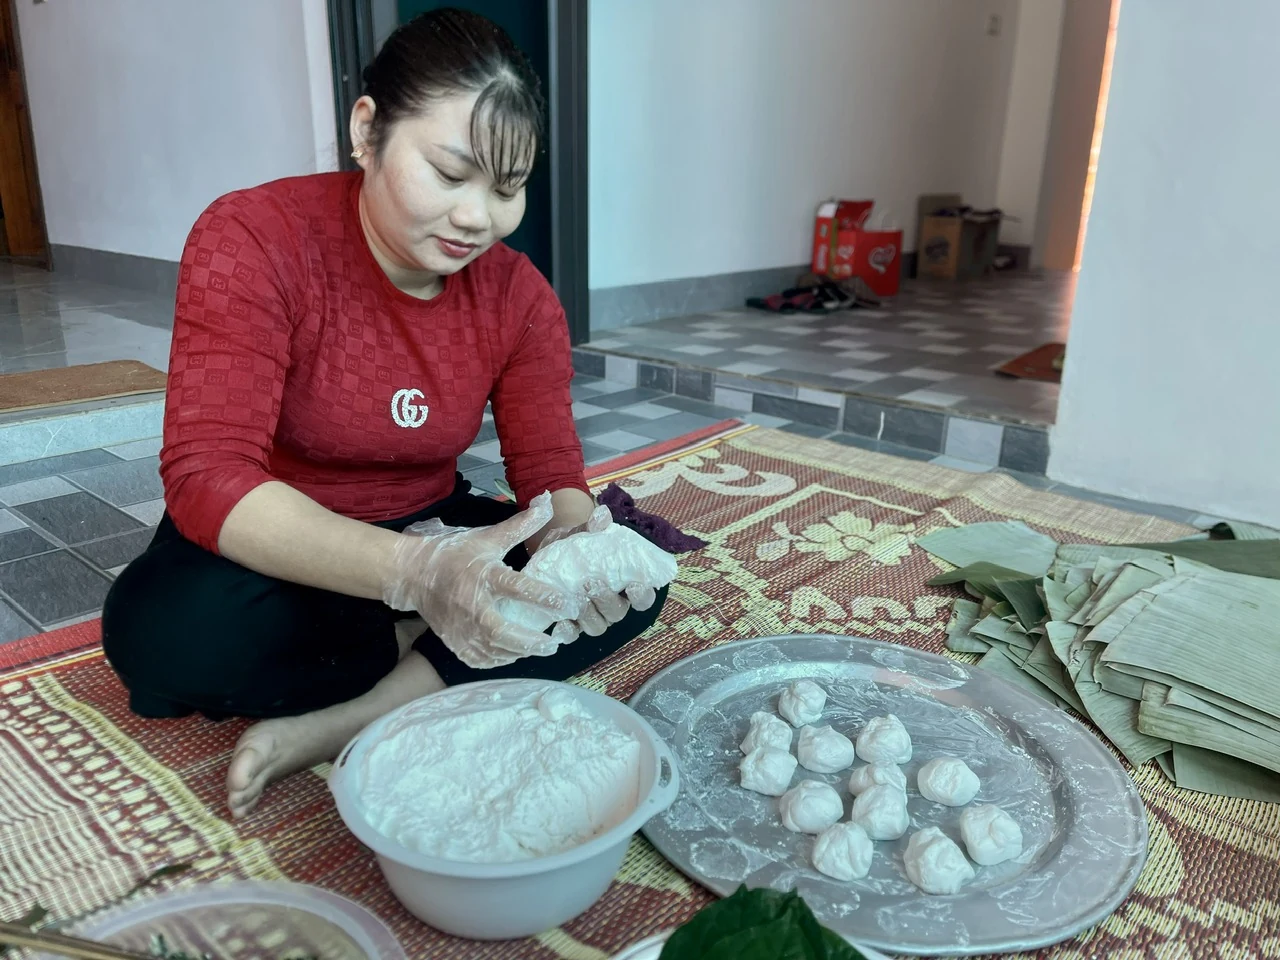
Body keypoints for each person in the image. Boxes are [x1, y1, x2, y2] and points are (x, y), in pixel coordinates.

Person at [101, 8, 668, 819]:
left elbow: (551, 477)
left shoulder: (521, 299)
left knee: (633, 578)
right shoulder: (253, 238)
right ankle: (436, 642)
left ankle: (361, 711)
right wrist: (414, 579)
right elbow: (207, 475)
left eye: (507, 189)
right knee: (162, 634)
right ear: (368, 130)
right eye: (449, 173)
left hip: (430, 522)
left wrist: (575, 554)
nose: (478, 217)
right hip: (279, 536)